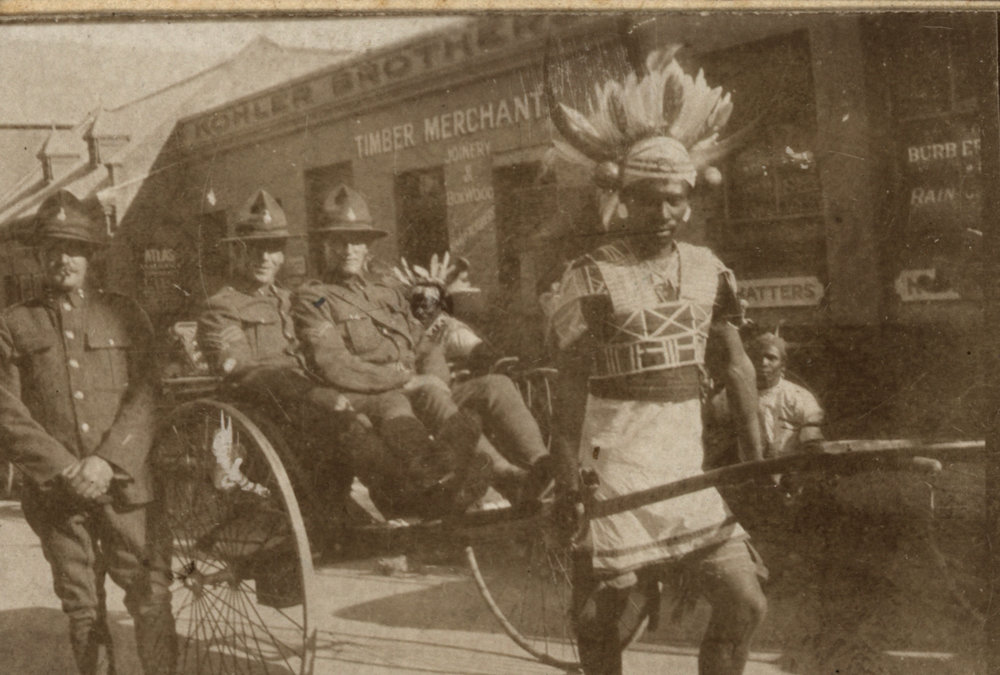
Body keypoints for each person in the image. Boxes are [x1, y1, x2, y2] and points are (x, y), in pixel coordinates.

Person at [544, 48, 768, 674]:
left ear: (690, 200)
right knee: (603, 628)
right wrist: (567, 479)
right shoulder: (589, 277)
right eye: (648, 200)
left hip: (685, 470)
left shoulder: (709, 270)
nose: (664, 214)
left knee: (744, 601)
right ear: (624, 200)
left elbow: (738, 367)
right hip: (612, 466)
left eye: (675, 199)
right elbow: (567, 388)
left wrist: (756, 461)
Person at [0, 190, 176, 674]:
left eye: (74, 248)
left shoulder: (125, 313)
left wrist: (107, 462)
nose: (63, 259)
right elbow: (6, 410)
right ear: (39, 255)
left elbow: (147, 394)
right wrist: (64, 469)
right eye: (53, 247)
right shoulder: (14, 324)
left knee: (150, 594)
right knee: (82, 606)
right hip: (59, 494)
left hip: (125, 486)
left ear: (91, 255)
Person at [293, 185, 549, 513]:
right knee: (411, 399)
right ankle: (499, 473)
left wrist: (434, 378)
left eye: (357, 240)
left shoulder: (388, 291)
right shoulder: (313, 299)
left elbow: (425, 341)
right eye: (339, 241)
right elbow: (335, 364)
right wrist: (404, 381)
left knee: (495, 386)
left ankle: (543, 466)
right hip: (371, 399)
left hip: (421, 391)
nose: (349, 250)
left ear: (369, 246)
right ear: (325, 246)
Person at [196, 189, 430, 518]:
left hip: (317, 398)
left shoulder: (293, 298)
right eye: (255, 248)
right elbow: (243, 373)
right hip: (272, 410)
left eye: (273, 248)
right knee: (351, 427)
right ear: (237, 250)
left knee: (386, 406)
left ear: (282, 254)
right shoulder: (222, 307)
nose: (265, 258)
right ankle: (406, 501)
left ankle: (422, 486)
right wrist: (314, 393)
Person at [397, 258, 553, 499]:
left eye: (429, 302)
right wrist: (419, 380)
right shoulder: (398, 326)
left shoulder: (438, 329)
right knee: (432, 392)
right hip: (405, 399)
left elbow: (473, 348)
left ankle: (542, 465)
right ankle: (504, 473)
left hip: (446, 390)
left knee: (497, 384)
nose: (422, 309)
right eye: (416, 302)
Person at [705, 330, 825, 471]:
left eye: (771, 358)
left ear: (783, 364)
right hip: (745, 474)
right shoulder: (728, 397)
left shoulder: (799, 397)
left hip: (790, 473)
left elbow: (812, 444)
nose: (763, 363)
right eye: (757, 357)